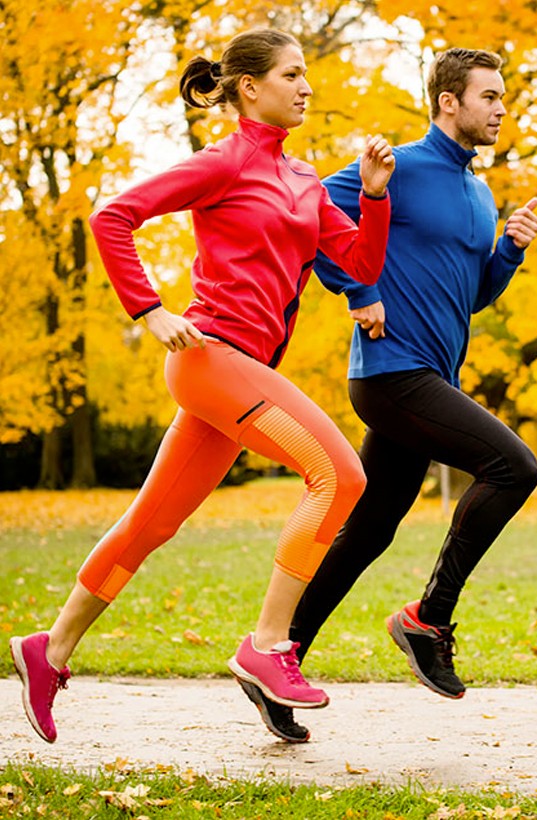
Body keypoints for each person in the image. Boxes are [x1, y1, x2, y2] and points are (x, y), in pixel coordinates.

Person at [9, 27, 395, 745]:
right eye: (292, 74)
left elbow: (362, 264)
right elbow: (113, 217)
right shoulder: (221, 163)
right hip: (209, 357)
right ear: (250, 87)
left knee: (152, 523)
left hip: (243, 375)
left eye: (306, 75)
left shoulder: (306, 181)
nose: (306, 87)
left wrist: (374, 195)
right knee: (339, 474)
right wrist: (149, 311)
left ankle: (50, 648)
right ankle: (268, 646)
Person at [238, 47, 537, 742]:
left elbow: (475, 298)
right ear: (448, 102)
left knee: (369, 529)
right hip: (392, 373)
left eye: (502, 98)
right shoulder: (398, 166)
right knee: (513, 466)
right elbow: (313, 219)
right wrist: (361, 291)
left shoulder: (478, 192)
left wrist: (509, 254)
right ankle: (429, 617)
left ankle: (276, 659)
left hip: (431, 373)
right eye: (488, 97)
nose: (500, 109)